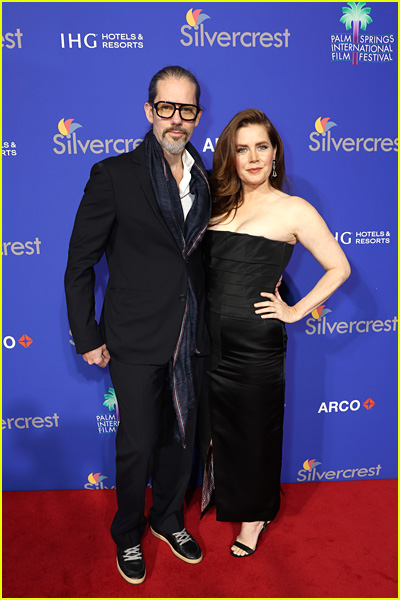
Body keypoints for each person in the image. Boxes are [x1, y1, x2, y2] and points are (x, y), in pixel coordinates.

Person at [64, 66, 211, 584]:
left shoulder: (208, 180)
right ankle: (128, 532)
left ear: (197, 115)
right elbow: (79, 263)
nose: (177, 120)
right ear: (149, 110)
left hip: (192, 336)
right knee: (140, 442)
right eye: (166, 108)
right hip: (133, 335)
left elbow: (208, 259)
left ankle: (168, 519)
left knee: (182, 441)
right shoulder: (114, 175)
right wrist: (87, 335)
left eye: (187, 110)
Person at [200, 108, 350, 557]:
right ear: (230, 154)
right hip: (207, 341)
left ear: (275, 152)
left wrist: (295, 310)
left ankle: (255, 515)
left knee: (253, 431)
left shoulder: (294, 209)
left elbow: (338, 266)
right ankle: (220, 494)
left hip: (255, 345)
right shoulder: (215, 202)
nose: (252, 157)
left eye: (261, 147)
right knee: (212, 429)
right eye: (242, 148)